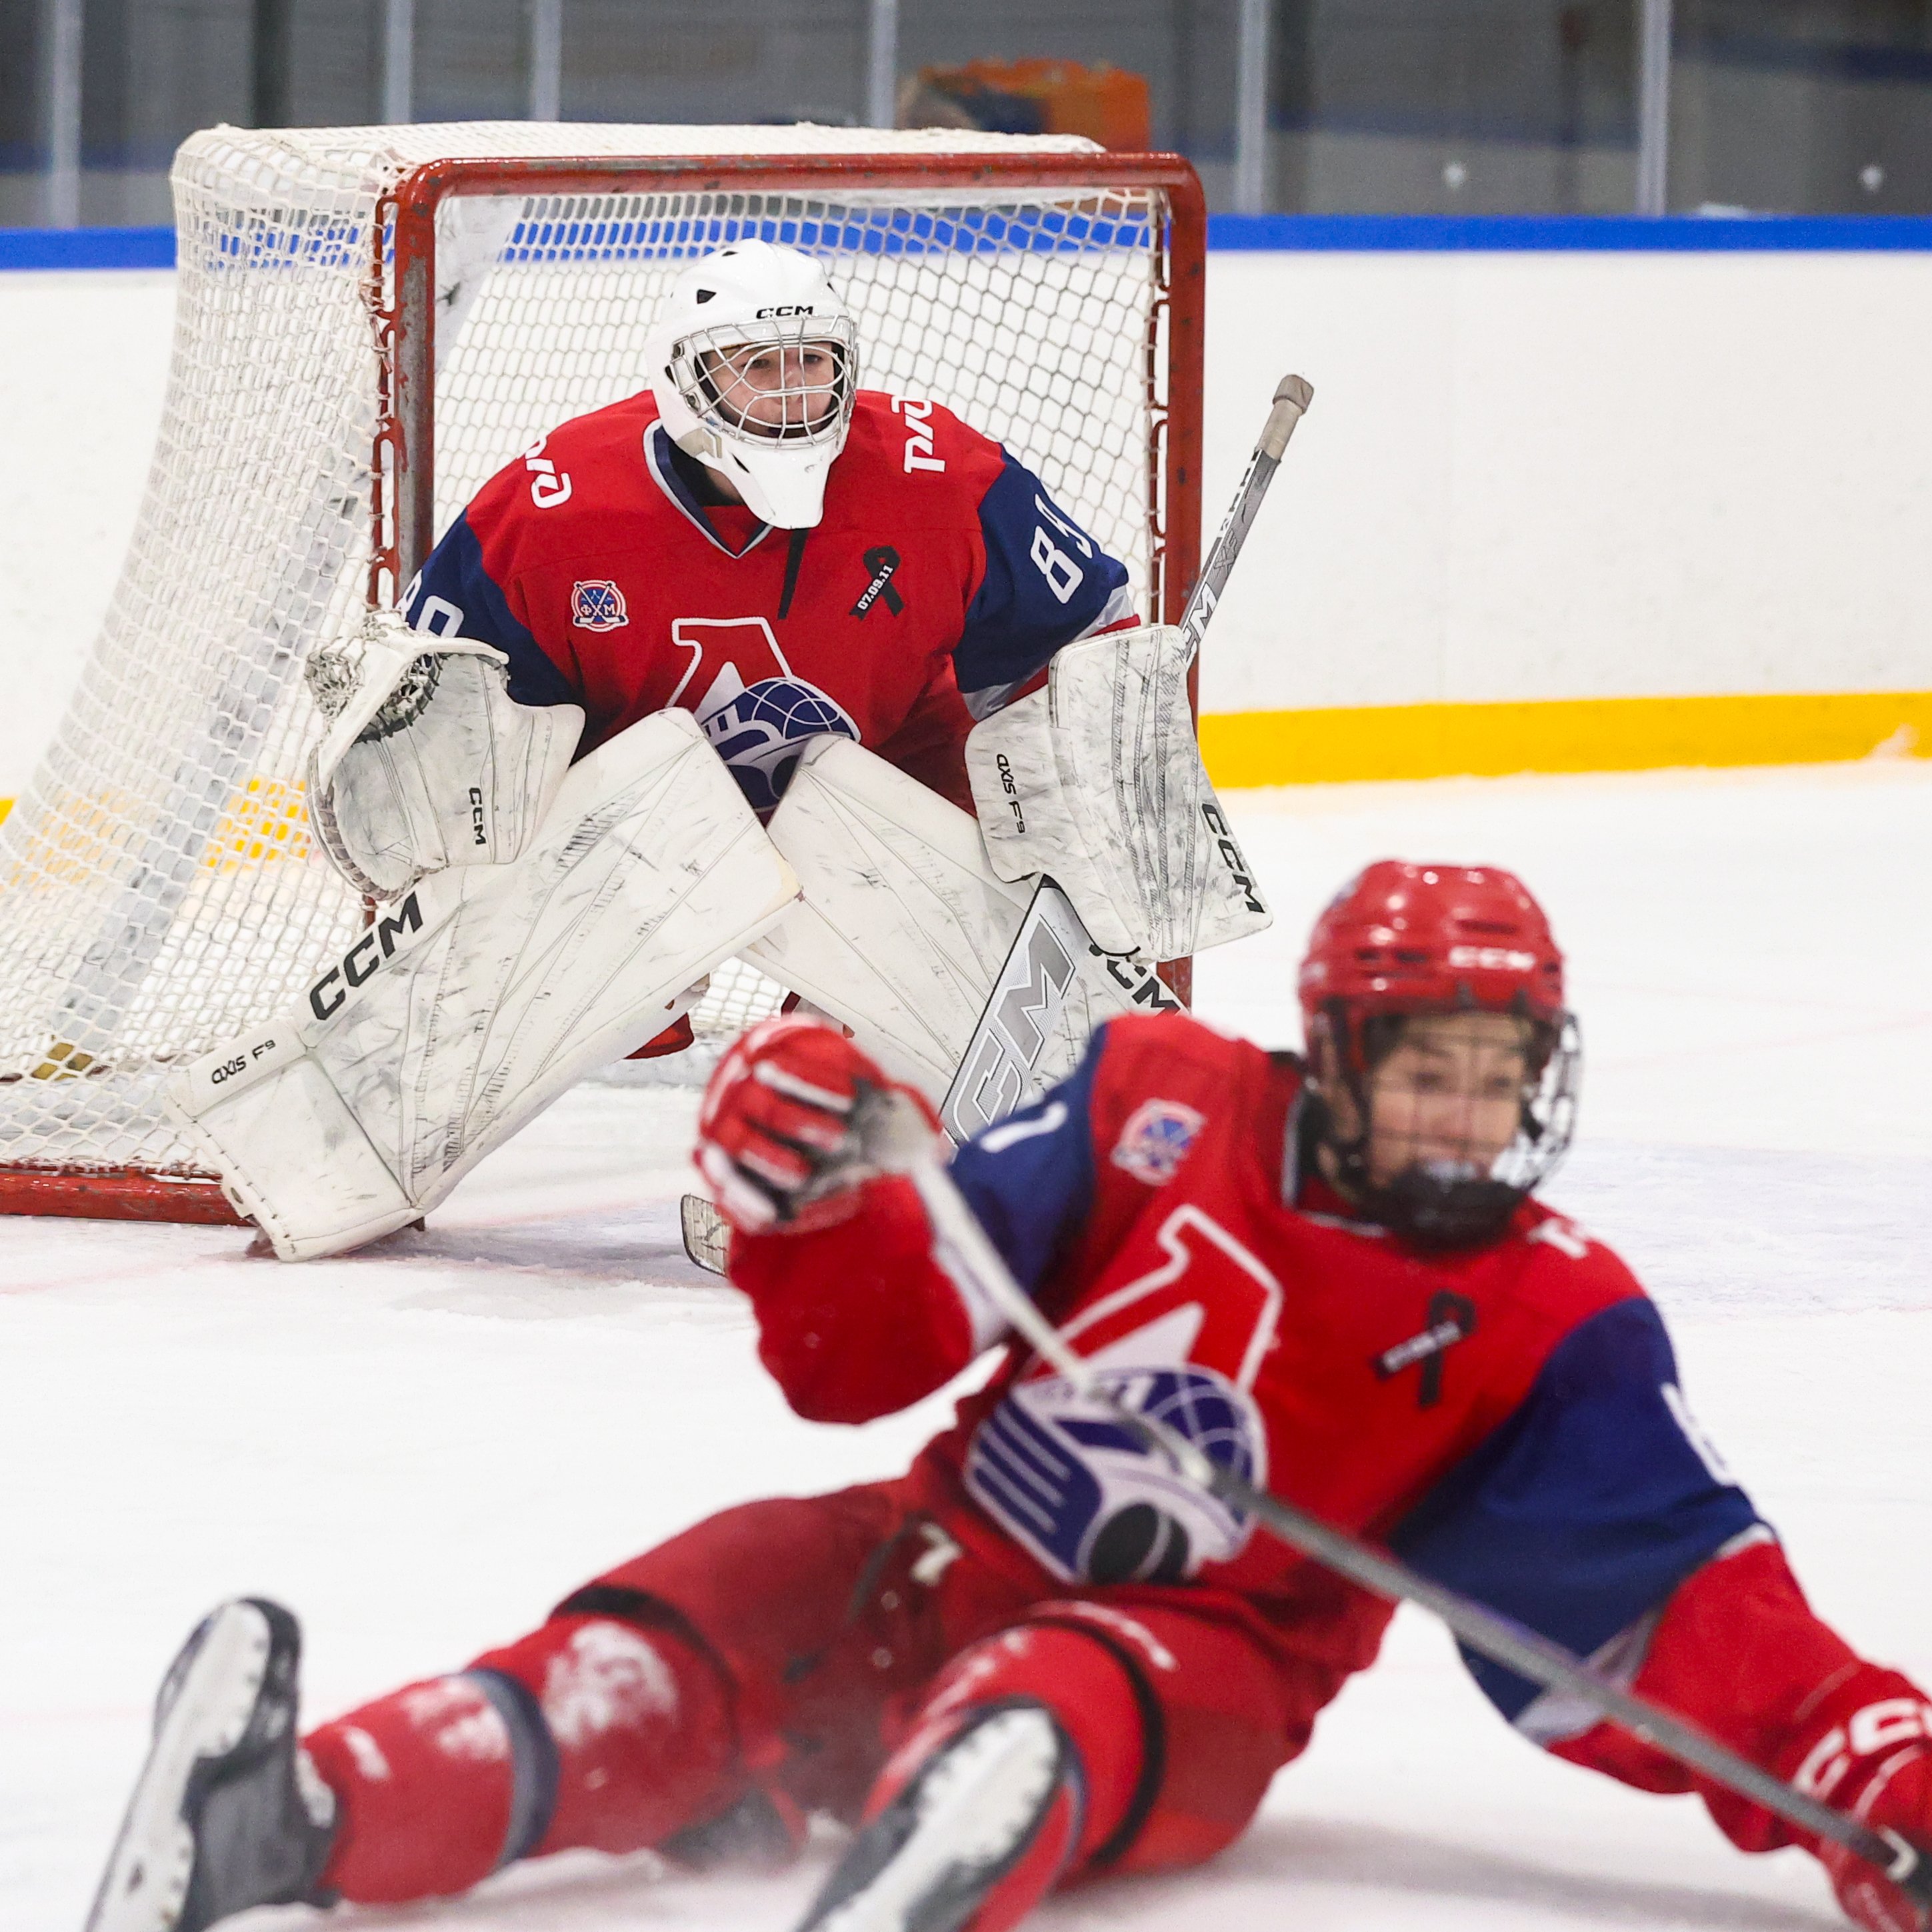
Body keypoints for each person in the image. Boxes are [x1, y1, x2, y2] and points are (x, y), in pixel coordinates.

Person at [91, 859, 1932, 1932]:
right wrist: (816, 1198)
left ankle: (925, 1858)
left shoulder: (1547, 1315)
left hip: (1198, 1661)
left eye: (1496, 1069)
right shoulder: (1155, 1096)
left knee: (1042, 1693)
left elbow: (1683, 1610)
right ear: (1334, 1049)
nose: (1465, 1110)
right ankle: (288, 1817)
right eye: (1423, 1066)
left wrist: (1872, 1767)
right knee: (676, 1633)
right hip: (926, 1548)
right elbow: (877, 1349)